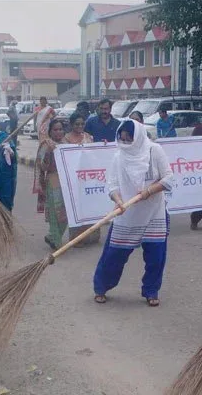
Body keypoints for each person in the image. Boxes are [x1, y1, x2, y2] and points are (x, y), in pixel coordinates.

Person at [93, 120, 174, 307]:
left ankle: (151, 290)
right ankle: (101, 287)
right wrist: (118, 201)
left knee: (156, 256)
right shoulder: (118, 157)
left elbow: (169, 178)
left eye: (129, 140)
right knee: (114, 255)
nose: (125, 144)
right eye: (122, 140)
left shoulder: (155, 151)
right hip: (127, 213)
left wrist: (148, 191)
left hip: (154, 212)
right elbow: (112, 185)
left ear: (138, 137)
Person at [64, 112, 100, 246]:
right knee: (76, 208)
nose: (80, 126)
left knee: (89, 206)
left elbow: (95, 155)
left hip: (88, 178)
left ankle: (92, 236)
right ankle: (76, 238)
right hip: (73, 179)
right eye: (77, 124)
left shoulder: (88, 137)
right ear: (71, 124)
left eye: (82, 124)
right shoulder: (65, 139)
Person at [33, 119, 69, 250]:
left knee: (67, 212)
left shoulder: (67, 143)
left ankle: (52, 236)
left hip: (67, 181)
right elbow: (41, 166)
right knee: (55, 211)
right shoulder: (46, 145)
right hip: (53, 180)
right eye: (55, 129)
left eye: (60, 129)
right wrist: (49, 153)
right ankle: (56, 240)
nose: (58, 132)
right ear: (50, 132)